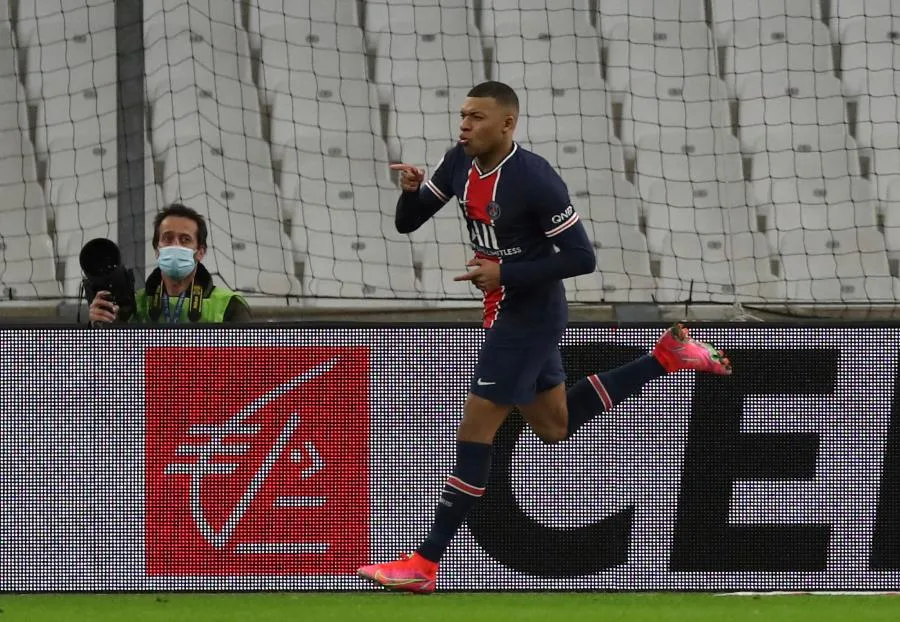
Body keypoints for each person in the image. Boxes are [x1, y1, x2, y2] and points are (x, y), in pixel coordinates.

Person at [356, 81, 732, 593]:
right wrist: (409, 194)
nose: (464, 125)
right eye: (463, 115)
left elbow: (581, 258)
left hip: (528, 316)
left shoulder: (535, 180)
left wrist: (504, 275)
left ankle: (424, 562)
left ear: (507, 124)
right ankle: (666, 357)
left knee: (474, 433)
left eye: (477, 117)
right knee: (554, 427)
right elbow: (408, 224)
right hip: (506, 309)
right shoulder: (458, 163)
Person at [88, 203, 251, 325]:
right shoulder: (134, 305)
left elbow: (247, 364)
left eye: (185, 239)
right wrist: (98, 325)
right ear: (157, 249)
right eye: (167, 238)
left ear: (201, 252)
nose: (175, 245)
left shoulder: (230, 305)